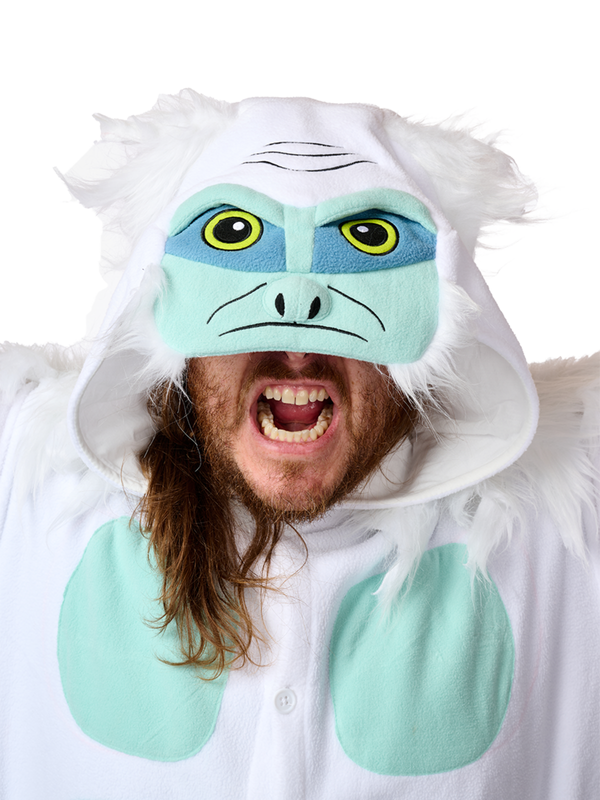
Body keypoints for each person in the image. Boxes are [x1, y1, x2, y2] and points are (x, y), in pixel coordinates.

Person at [0, 91, 598, 800]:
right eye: (236, 241)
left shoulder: (564, 524)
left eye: (363, 241)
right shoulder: (31, 487)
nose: (296, 347)